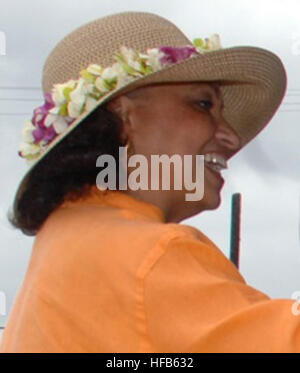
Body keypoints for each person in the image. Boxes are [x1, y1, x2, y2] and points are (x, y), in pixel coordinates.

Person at [0, 11, 297, 353]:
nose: (231, 137)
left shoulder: (64, 242)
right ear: (122, 114)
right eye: (203, 104)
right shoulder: (149, 255)